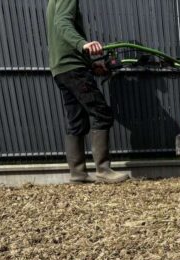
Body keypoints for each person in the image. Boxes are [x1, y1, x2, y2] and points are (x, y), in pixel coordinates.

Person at [46, 0, 128, 184]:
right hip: (73, 69)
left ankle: (78, 173)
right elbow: (62, 23)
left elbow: (61, 34)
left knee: (76, 120)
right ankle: (103, 170)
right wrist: (83, 44)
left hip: (61, 69)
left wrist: (91, 64)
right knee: (102, 113)